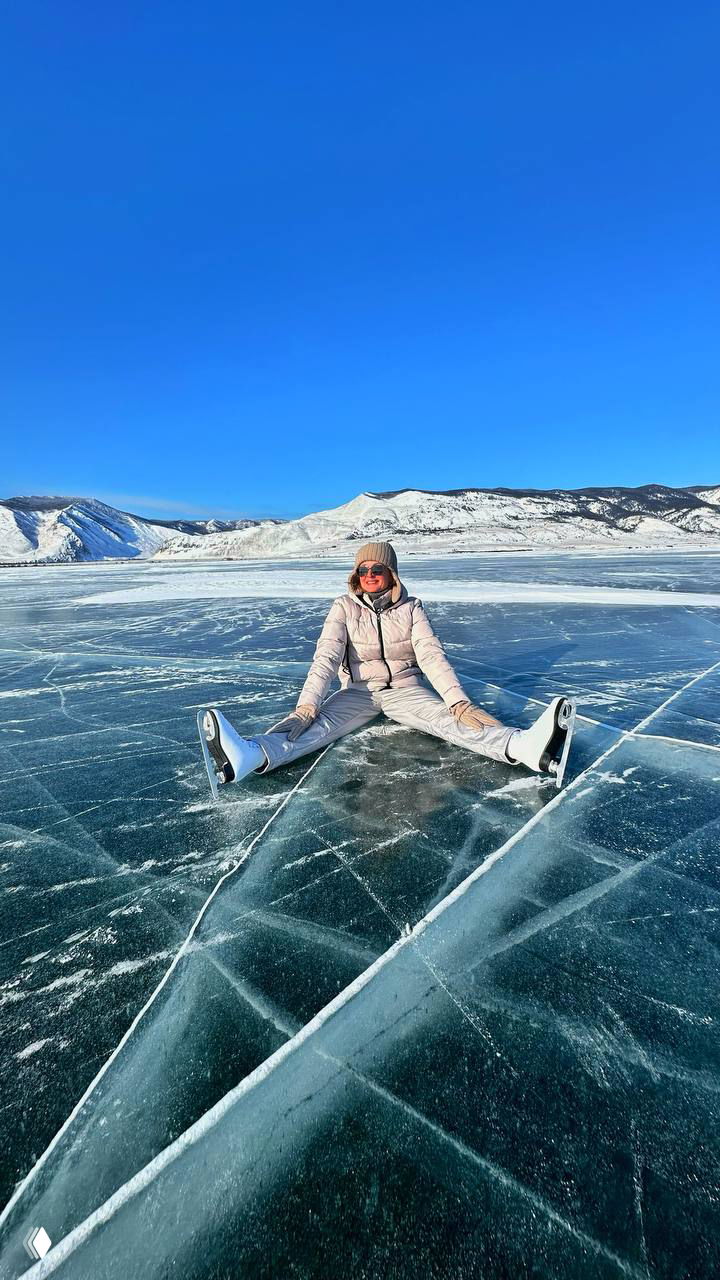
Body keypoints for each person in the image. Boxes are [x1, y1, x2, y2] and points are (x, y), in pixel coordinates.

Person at [198, 542, 574, 790]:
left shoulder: (411, 608)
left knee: (450, 722)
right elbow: (326, 657)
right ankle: (250, 755)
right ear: (355, 575)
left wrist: (457, 701)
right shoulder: (344, 608)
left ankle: (523, 747)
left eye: (377, 568)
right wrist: (307, 705)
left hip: (405, 690)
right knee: (312, 728)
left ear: (392, 572)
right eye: (362, 569)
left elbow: (431, 655)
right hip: (358, 693)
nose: (370, 575)